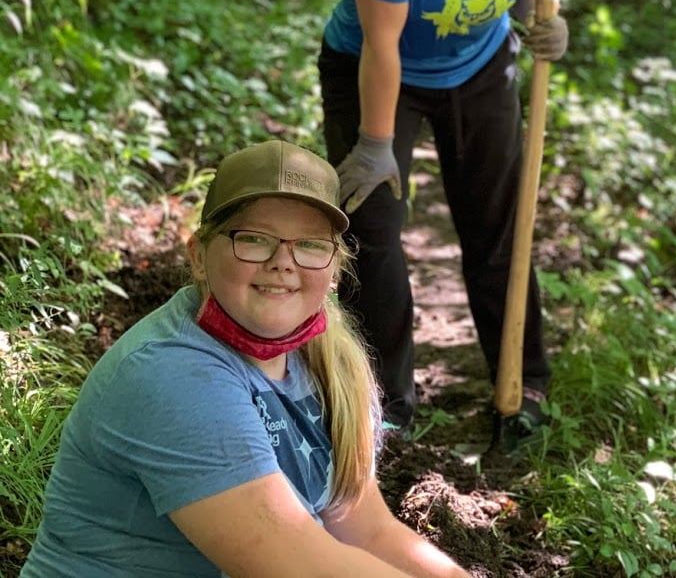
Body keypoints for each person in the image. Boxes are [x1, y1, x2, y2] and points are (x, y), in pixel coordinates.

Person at [21, 140, 471, 578]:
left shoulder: (322, 362)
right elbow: (300, 567)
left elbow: (367, 532)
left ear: (335, 267)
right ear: (198, 256)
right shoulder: (172, 375)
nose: (283, 262)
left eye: (310, 245)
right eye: (254, 239)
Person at [317, 0, 565, 434]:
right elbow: (381, 44)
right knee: (371, 227)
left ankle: (524, 384)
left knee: (497, 224)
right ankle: (383, 402)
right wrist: (373, 147)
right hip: (373, 64)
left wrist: (549, 17)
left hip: (479, 67)